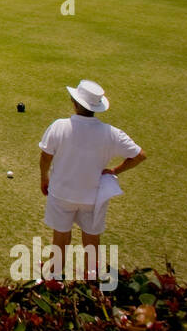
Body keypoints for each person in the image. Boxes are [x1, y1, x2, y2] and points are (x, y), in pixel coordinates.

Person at [39, 80, 147, 279]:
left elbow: (46, 156)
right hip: (94, 196)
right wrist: (115, 170)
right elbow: (139, 155)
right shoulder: (111, 133)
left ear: (74, 102)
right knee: (91, 239)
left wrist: (43, 178)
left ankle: (54, 278)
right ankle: (91, 280)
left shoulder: (59, 126)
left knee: (61, 237)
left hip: (61, 193)